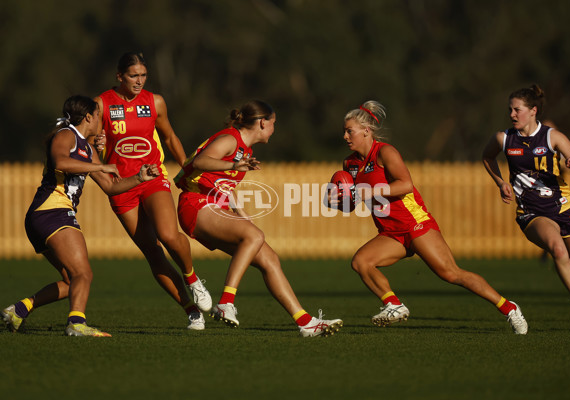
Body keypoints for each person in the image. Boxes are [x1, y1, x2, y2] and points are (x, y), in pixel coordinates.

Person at [330, 100, 528, 334]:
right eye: (344, 131)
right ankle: (394, 305)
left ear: (366, 130)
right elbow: (352, 204)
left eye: (349, 131)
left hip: (415, 223)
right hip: (390, 232)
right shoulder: (349, 164)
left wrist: (370, 191)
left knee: (451, 274)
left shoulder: (385, 152)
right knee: (360, 262)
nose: (345, 136)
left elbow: (405, 185)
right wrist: (340, 201)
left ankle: (509, 308)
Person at [175, 100, 343, 337]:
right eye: (273, 124)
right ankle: (226, 303)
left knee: (269, 258)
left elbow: (224, 186)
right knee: (254, 236)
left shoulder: (246, 150)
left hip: (213, 204)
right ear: (263, 122)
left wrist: (243, 215)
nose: (274, 129)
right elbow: (200, 162)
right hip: (196, 203)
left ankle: (305, 322)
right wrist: (234, 164)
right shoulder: (231, 139)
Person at [1, 95, 160, 336]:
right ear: (88, 117)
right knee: (83, 274)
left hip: (46, 216)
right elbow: (61, 162)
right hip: (52, 211)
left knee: (72, 282)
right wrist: (100, 165)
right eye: (98, 116)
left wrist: (139, 178)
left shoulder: (86, 146)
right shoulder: (66, 134)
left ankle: (19, 310)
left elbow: (109, 186)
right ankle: (76, 324)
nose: (101, 121)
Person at [93, 52, 211, 330]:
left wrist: (186, 167)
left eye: (143, 75)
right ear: (119, 76)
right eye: (133, 75)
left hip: (152, 177)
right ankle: (191, 309)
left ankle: (193, 278)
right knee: (152, 252)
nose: (139, 81)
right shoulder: (102, 103)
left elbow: (169, 136)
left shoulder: (154, 101)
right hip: (122, 186)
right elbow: (91, 143)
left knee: (169, 235)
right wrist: (99, 148)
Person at [482, 84, 570, 330]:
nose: (512, 115)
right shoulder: (504, 138)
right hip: (531, 213)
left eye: (517, 110)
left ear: (533, 111)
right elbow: (487, 156)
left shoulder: (553, 137)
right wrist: (500, 182)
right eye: (510, 110)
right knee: (558, 249)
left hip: (564, 208)